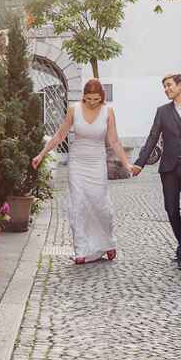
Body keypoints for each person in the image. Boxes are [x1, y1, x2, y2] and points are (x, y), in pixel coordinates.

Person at [32, 79, 135, 264]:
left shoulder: (108, 111)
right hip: (78, 163)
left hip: (97, 163)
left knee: (101, 205)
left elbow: (114, 141)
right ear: (84, 96)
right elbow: (60, 135)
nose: (92, 102)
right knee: (79, 204)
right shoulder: (74, 109)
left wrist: (127, 164)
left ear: (101, 97)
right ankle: (81, 249)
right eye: (88, 99)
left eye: (96, 99)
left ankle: (107, 242)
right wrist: (41, 154)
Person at [130, 74, 181, 271]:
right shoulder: (162, 112)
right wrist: (140, 163)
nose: (166, 89)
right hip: (169, 167)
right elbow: (152, 137)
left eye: (169, 85)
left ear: (180, 85)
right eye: (164, 87)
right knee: (171, 209)